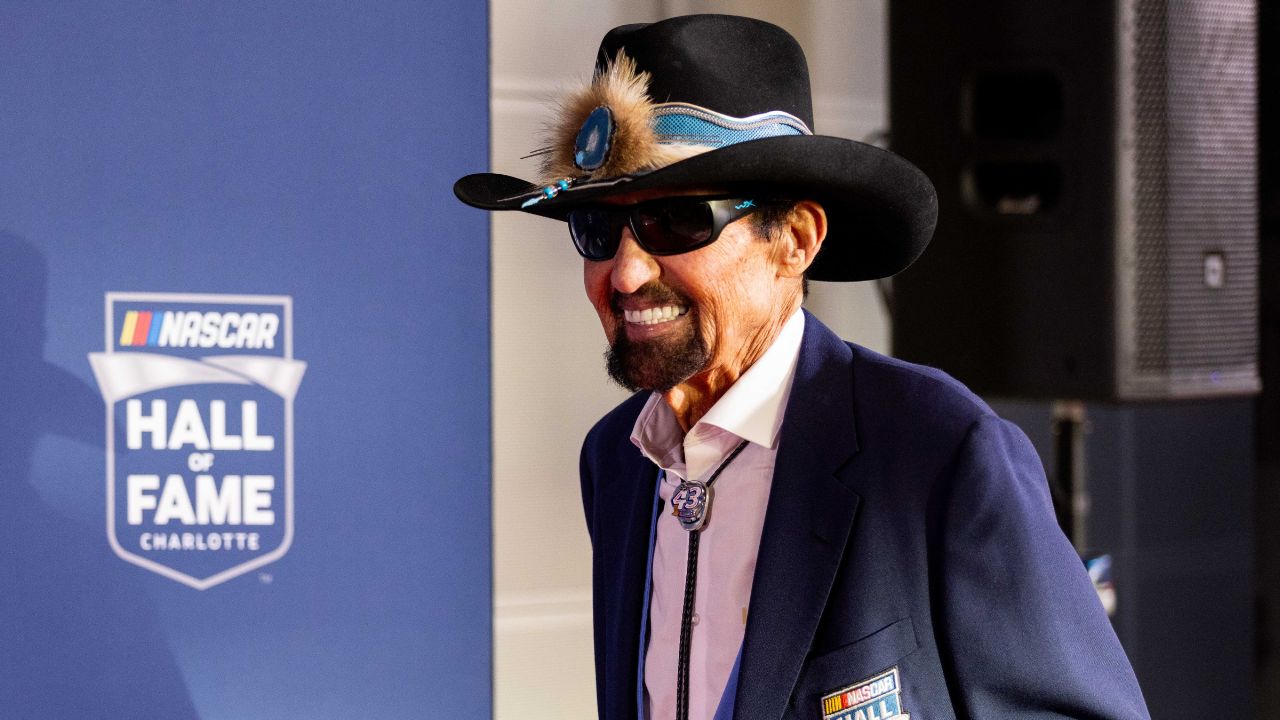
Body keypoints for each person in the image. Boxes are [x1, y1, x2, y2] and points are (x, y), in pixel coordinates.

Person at [456, 14, 1150, 720]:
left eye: (677, 221)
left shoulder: (936, 450)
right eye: (598, 228)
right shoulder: (615, 463)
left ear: (795, 239)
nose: (626, 271)